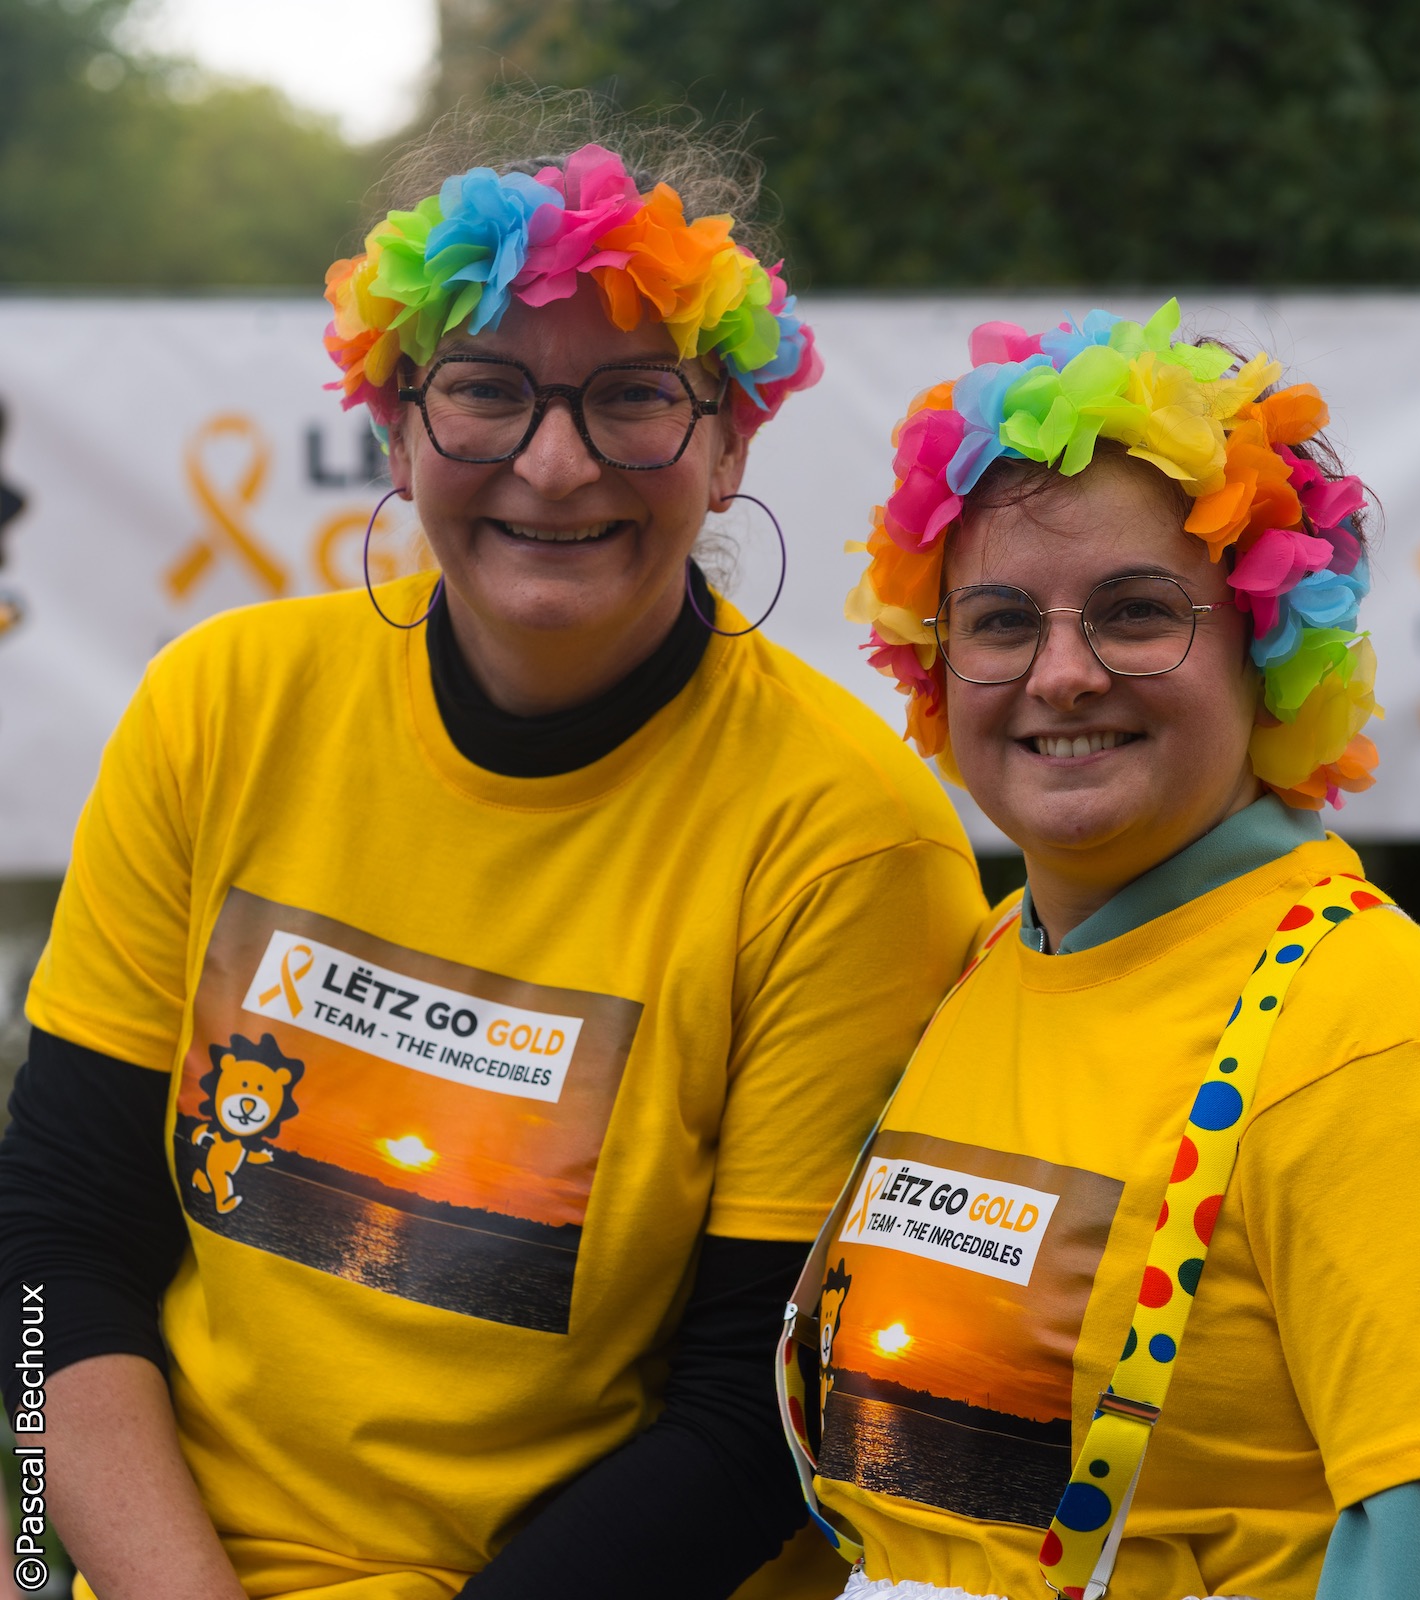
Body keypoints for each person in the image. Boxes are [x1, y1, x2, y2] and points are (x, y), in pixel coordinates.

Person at [0, 94, 988, 1600]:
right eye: (485, 390)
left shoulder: (851, 839)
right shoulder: (221, 704)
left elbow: (761, 1421)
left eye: (635, 397)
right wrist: (37, 1554)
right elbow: (45, 1247)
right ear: (398, 428)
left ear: (730, 443)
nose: (556, 464)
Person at [782, 303, 1420, 1600]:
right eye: (999, 621)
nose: (1063, 674)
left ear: (1269, 649)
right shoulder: (990, 964)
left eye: (1136, 612)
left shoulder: (1402, 1067)